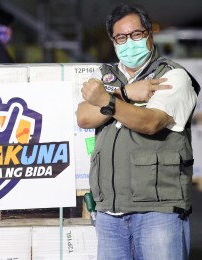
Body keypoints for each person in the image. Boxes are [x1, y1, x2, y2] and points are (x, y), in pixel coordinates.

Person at [77, 4, 200, 260]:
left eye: (136, 34)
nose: (128, 43)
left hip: (158, 211)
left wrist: (107, 101)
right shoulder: (106, 75)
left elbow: (151, 122)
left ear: (149, 35)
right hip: (110, 213)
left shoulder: (172, 75)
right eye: (121, 37)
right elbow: (84, 117)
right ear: (113, 41)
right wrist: (124, 93)